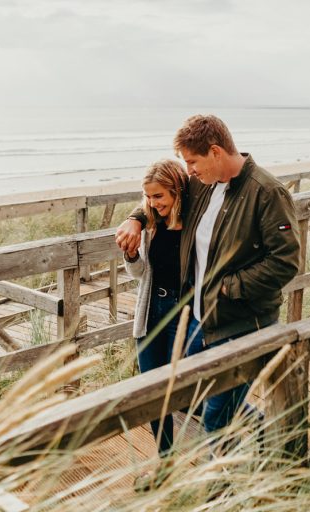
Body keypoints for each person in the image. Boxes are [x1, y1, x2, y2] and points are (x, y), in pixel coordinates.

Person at [116, 114, 300, 438]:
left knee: (216, 418)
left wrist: (229, 288)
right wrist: (135, 219)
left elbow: (286, 262)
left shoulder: (267, 192)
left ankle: (224, 485)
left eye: (192, 161)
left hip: (242, 321)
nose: (189, 171)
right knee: (195, 398)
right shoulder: (203, 186)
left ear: (215, 152)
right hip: (202, 322)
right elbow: (159, 195)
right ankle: (255, 438)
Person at [124, 159, 188, 461]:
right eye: (148, 196)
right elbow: (139, 274)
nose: (152, 202)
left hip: (185, 312)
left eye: (159, 195)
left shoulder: (194, 220)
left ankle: (251, 422)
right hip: (151, 311)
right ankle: (166, 460)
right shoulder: (149, 222)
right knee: (153, 391)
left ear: (176, 190)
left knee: (191, 389)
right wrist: (132, 255)